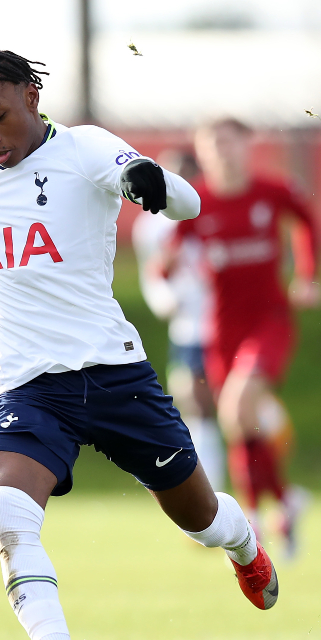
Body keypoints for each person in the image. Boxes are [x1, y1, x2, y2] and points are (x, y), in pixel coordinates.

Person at [0, 49, 279, 640]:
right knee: (6, 511)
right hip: (28, 389)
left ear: (33, 96)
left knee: (200, 518)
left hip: (115, 375)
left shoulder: (88, 150)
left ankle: (245, 547)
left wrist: (153, 180)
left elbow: (186, 201)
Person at [156, 117, 321, 556]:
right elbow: (166, 257)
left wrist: (308, 276)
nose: (222, 151)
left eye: (229, 141)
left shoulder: (273, 192)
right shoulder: (198, 203)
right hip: (220, 331)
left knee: (235, 407)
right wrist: (167, 269)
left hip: (269, 322)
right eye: (212, 144)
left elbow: (307, 221)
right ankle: (283, 504)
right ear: (202, 152)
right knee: (237, 423)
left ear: (247, 144)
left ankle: (251, 520)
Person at [131, 149, 225, 488]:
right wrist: (164, 299)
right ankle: (212, 488)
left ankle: (267, 479)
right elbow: (152, 273)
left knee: (235, 405)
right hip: (188, 324)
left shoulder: (213, 211)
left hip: (225, 318)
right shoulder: (151, 225)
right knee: (192, 400)